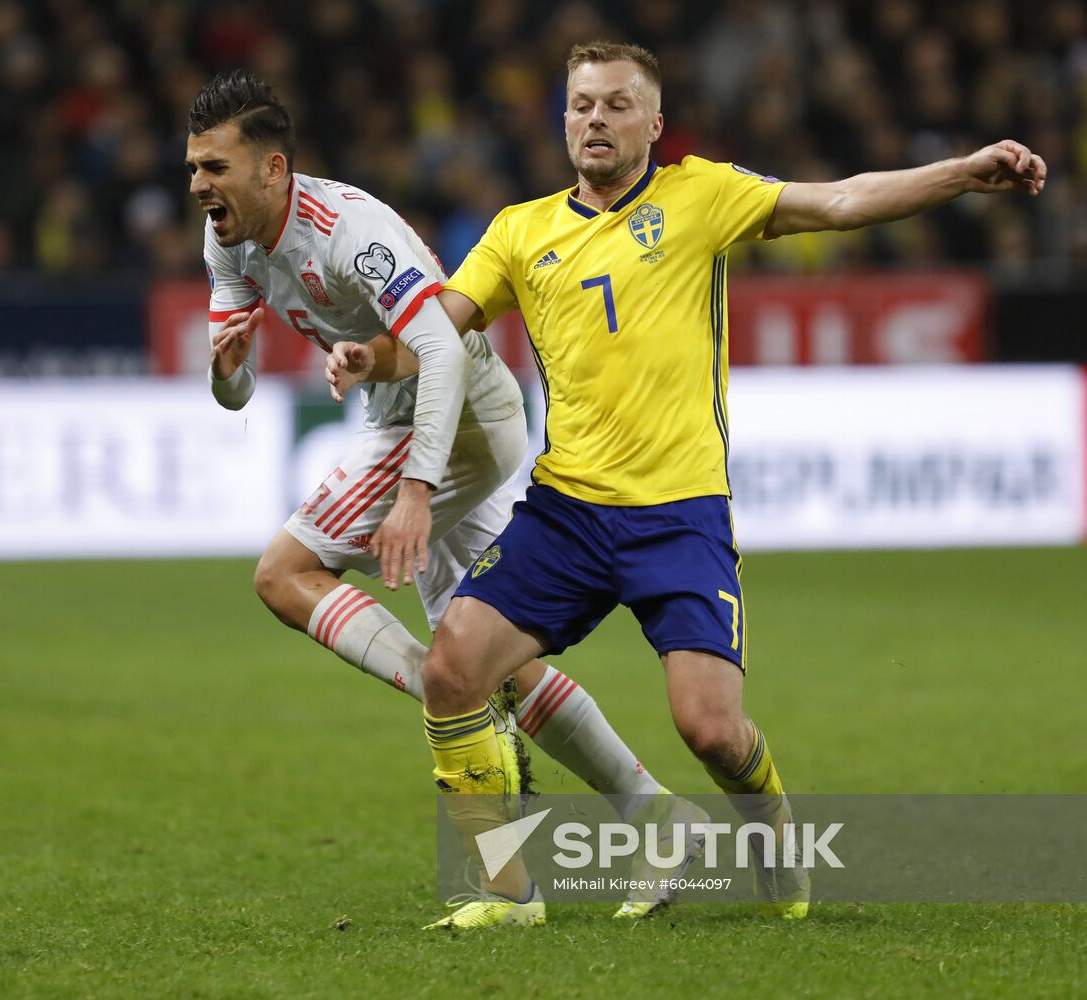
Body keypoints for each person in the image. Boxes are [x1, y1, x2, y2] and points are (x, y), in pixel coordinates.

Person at [328, 40, 1047, 930]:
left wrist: (964, 174)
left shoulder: (701, 195)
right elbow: (436, 331)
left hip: (679, 517)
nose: (596, 119)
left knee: (710, 729)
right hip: (566, 513)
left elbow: (841, 200)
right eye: (581, 104)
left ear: (654, 124)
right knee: (450, 672)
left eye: (617, 104)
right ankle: (507, 895)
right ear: (562, 121)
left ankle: (774, 834)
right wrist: (370, 356)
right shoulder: (519, 231)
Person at [190, 70, 693, 925]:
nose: (200, 185)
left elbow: (445, 348)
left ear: (273, 168)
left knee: (284, 575)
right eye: (194, 168)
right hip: (414, 421)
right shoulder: (228, 243)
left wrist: (418, 490)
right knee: (495, 664)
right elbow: (233, 394)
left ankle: (454, 718)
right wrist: (226, 369)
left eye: (215, 167)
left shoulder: (350, 232)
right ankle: (652, 821)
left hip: (458, 419)